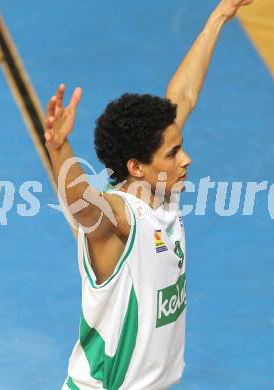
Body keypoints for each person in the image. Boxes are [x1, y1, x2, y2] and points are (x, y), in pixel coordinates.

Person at [44, 1, 253, 389]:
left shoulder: (160, 189)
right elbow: (83, 208)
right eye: (173, 154)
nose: (186, 159)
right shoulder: (121, 218)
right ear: (137, 166)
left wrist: (218, 18)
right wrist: (59, 148)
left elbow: (184, 94)